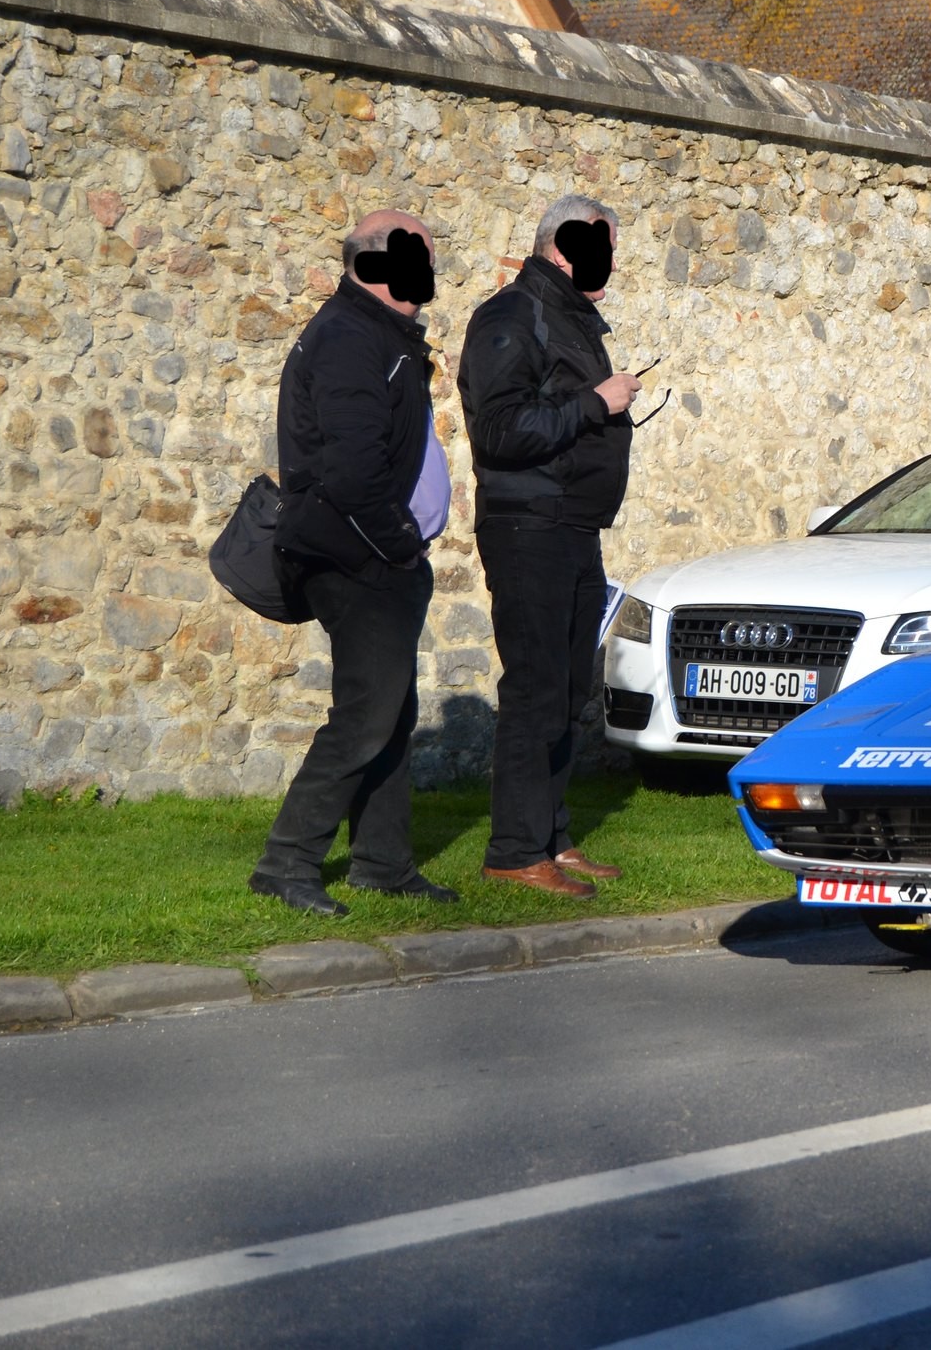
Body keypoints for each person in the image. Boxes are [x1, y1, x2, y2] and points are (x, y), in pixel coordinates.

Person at [250, 210, 458, 916]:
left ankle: (383, 862)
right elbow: (351, 467)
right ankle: (286, 862)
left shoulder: (378, 335)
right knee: (366, 715)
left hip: (379, 555)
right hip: (357, 557)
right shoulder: (347, 337)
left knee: (392, 710)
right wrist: (399, 543)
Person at [457, 194, 641, 898]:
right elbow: (500, 431)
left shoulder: (567, 317)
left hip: (572, 525)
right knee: (534, 686)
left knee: (567, 689)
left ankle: (552, 838)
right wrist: (597, 403)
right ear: (563, 246)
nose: (612, 266)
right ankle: (512, 849)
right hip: (527, 526)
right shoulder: (510, 316)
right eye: (603, 250)